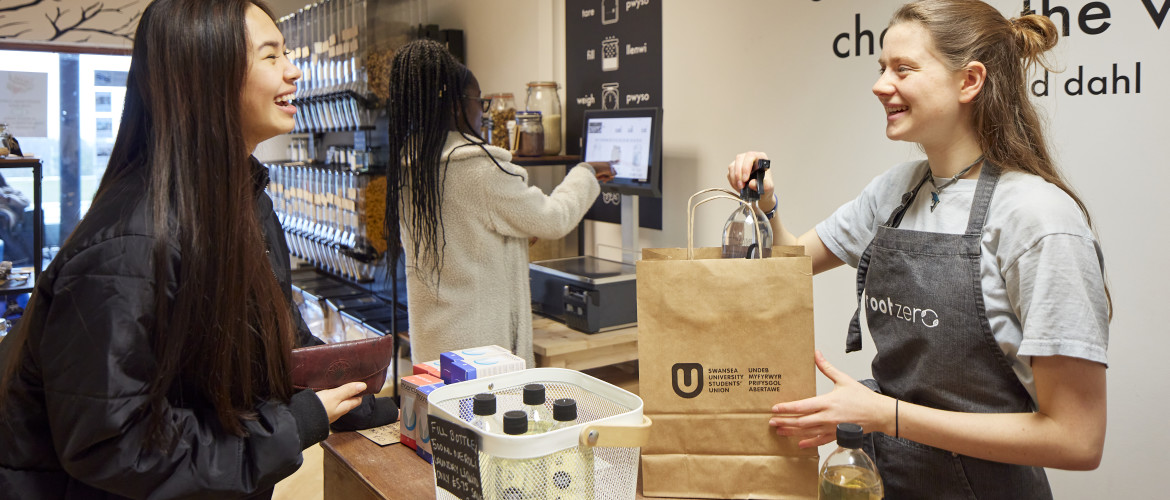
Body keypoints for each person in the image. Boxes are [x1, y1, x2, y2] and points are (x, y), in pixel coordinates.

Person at [0, 1, 395, 497]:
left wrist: (335, 386)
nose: (295, 70)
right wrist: (288, 428)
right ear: (206, 74)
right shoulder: (130, 243)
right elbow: (116, 444)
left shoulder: (245, 204)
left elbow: (268, 342)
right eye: (271, 56)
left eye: (287, 53)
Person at [727, 1, 1108, 498]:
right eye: (882, 67)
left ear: (969, 82)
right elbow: (787, 270)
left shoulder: (1040, 221)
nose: (880, 84)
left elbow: (1076, 439)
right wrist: (768, 205)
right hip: (884, 480)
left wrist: (887, 415)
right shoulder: (895, 190)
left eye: (903, 69)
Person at [385, 40, 613, 365]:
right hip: (481, 359)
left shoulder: (411, 170)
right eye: (480, 102)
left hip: (434, 349)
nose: (484, 114)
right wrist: (586, 173)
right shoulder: (480, 170)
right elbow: (554, 219)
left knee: (442, 417)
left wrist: (514, 236)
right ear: (455, 105)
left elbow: (462, 241)